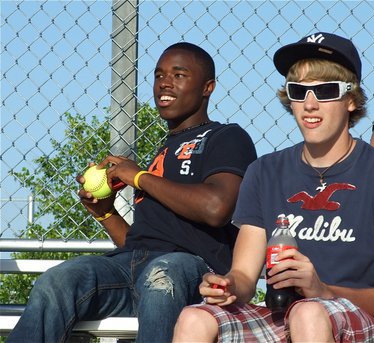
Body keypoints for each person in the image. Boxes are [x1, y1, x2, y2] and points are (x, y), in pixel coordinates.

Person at [7, 42, 257, 343]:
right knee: (59, 280)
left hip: (192, 270)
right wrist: (106, 213)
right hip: (131, 268)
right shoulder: (162, 151)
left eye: (179, 75)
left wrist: (138, 176)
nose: (164, 82)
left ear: (208, 87)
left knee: (162, 275)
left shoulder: (226, 137)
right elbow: (141, 242)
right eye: (159, 75)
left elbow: (217, 208)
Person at [173, 32, 374, 342]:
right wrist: (225, 286)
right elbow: (244, 276)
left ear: (350, 99)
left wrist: (324, 291)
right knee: (193, 318)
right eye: (299, 91)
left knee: (308, 312)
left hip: (363, 317)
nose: (309, 104)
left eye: (325, 91)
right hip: (286, 315)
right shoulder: (264, 172)